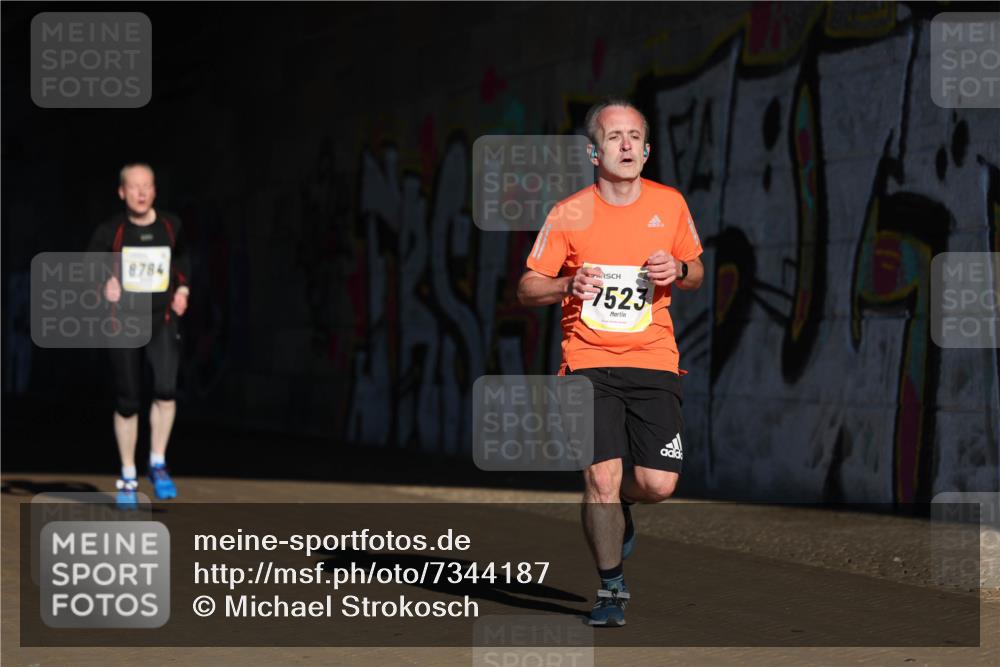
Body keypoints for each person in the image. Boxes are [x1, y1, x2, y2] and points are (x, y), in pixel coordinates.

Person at [517, 99, 704, 626]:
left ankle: (622, 505)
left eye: (634, 137)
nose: (625, 145)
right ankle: (611, 589)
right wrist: (566, 283)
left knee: (657, 484)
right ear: (593, 152)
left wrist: (679, 269)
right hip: (588, 360)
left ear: (647, 150)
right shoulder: (568, 213)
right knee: (601, 478)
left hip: (653, 359)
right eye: (613, 136)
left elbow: (697, 273)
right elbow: (528, 287)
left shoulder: (670, 204)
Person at [88, 163, 190, 506]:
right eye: (134, 186)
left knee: (166, 390)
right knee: (128, 401)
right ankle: (128, 476)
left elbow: (183, 261)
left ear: (155, 190)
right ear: (122, 192)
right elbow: (89, 267)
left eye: (147, 186)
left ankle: (157, 463)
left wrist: (183, 290)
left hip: (162, 320)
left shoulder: (171, 226)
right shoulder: (110, 231)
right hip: (124, 324)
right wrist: (105, 284)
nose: (142, 193)